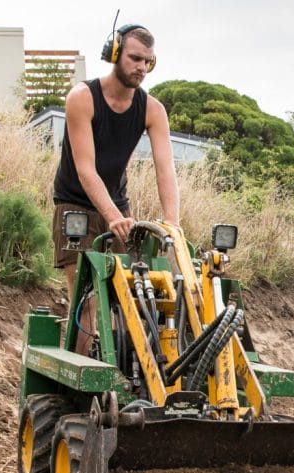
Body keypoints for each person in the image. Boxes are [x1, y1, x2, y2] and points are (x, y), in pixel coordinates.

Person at [51, 23, 180, 352]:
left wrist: (172, 224)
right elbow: (85, 169)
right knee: (87, 301)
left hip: (118, 208)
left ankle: (132, 384)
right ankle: (83, 390)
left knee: (133, 297)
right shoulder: (83, 98)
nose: (141, 67)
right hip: (75, 206)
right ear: (114, 54)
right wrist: (111, 217)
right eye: (135, 58)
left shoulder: (153, 110)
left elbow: (165, 170)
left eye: (148, 62)